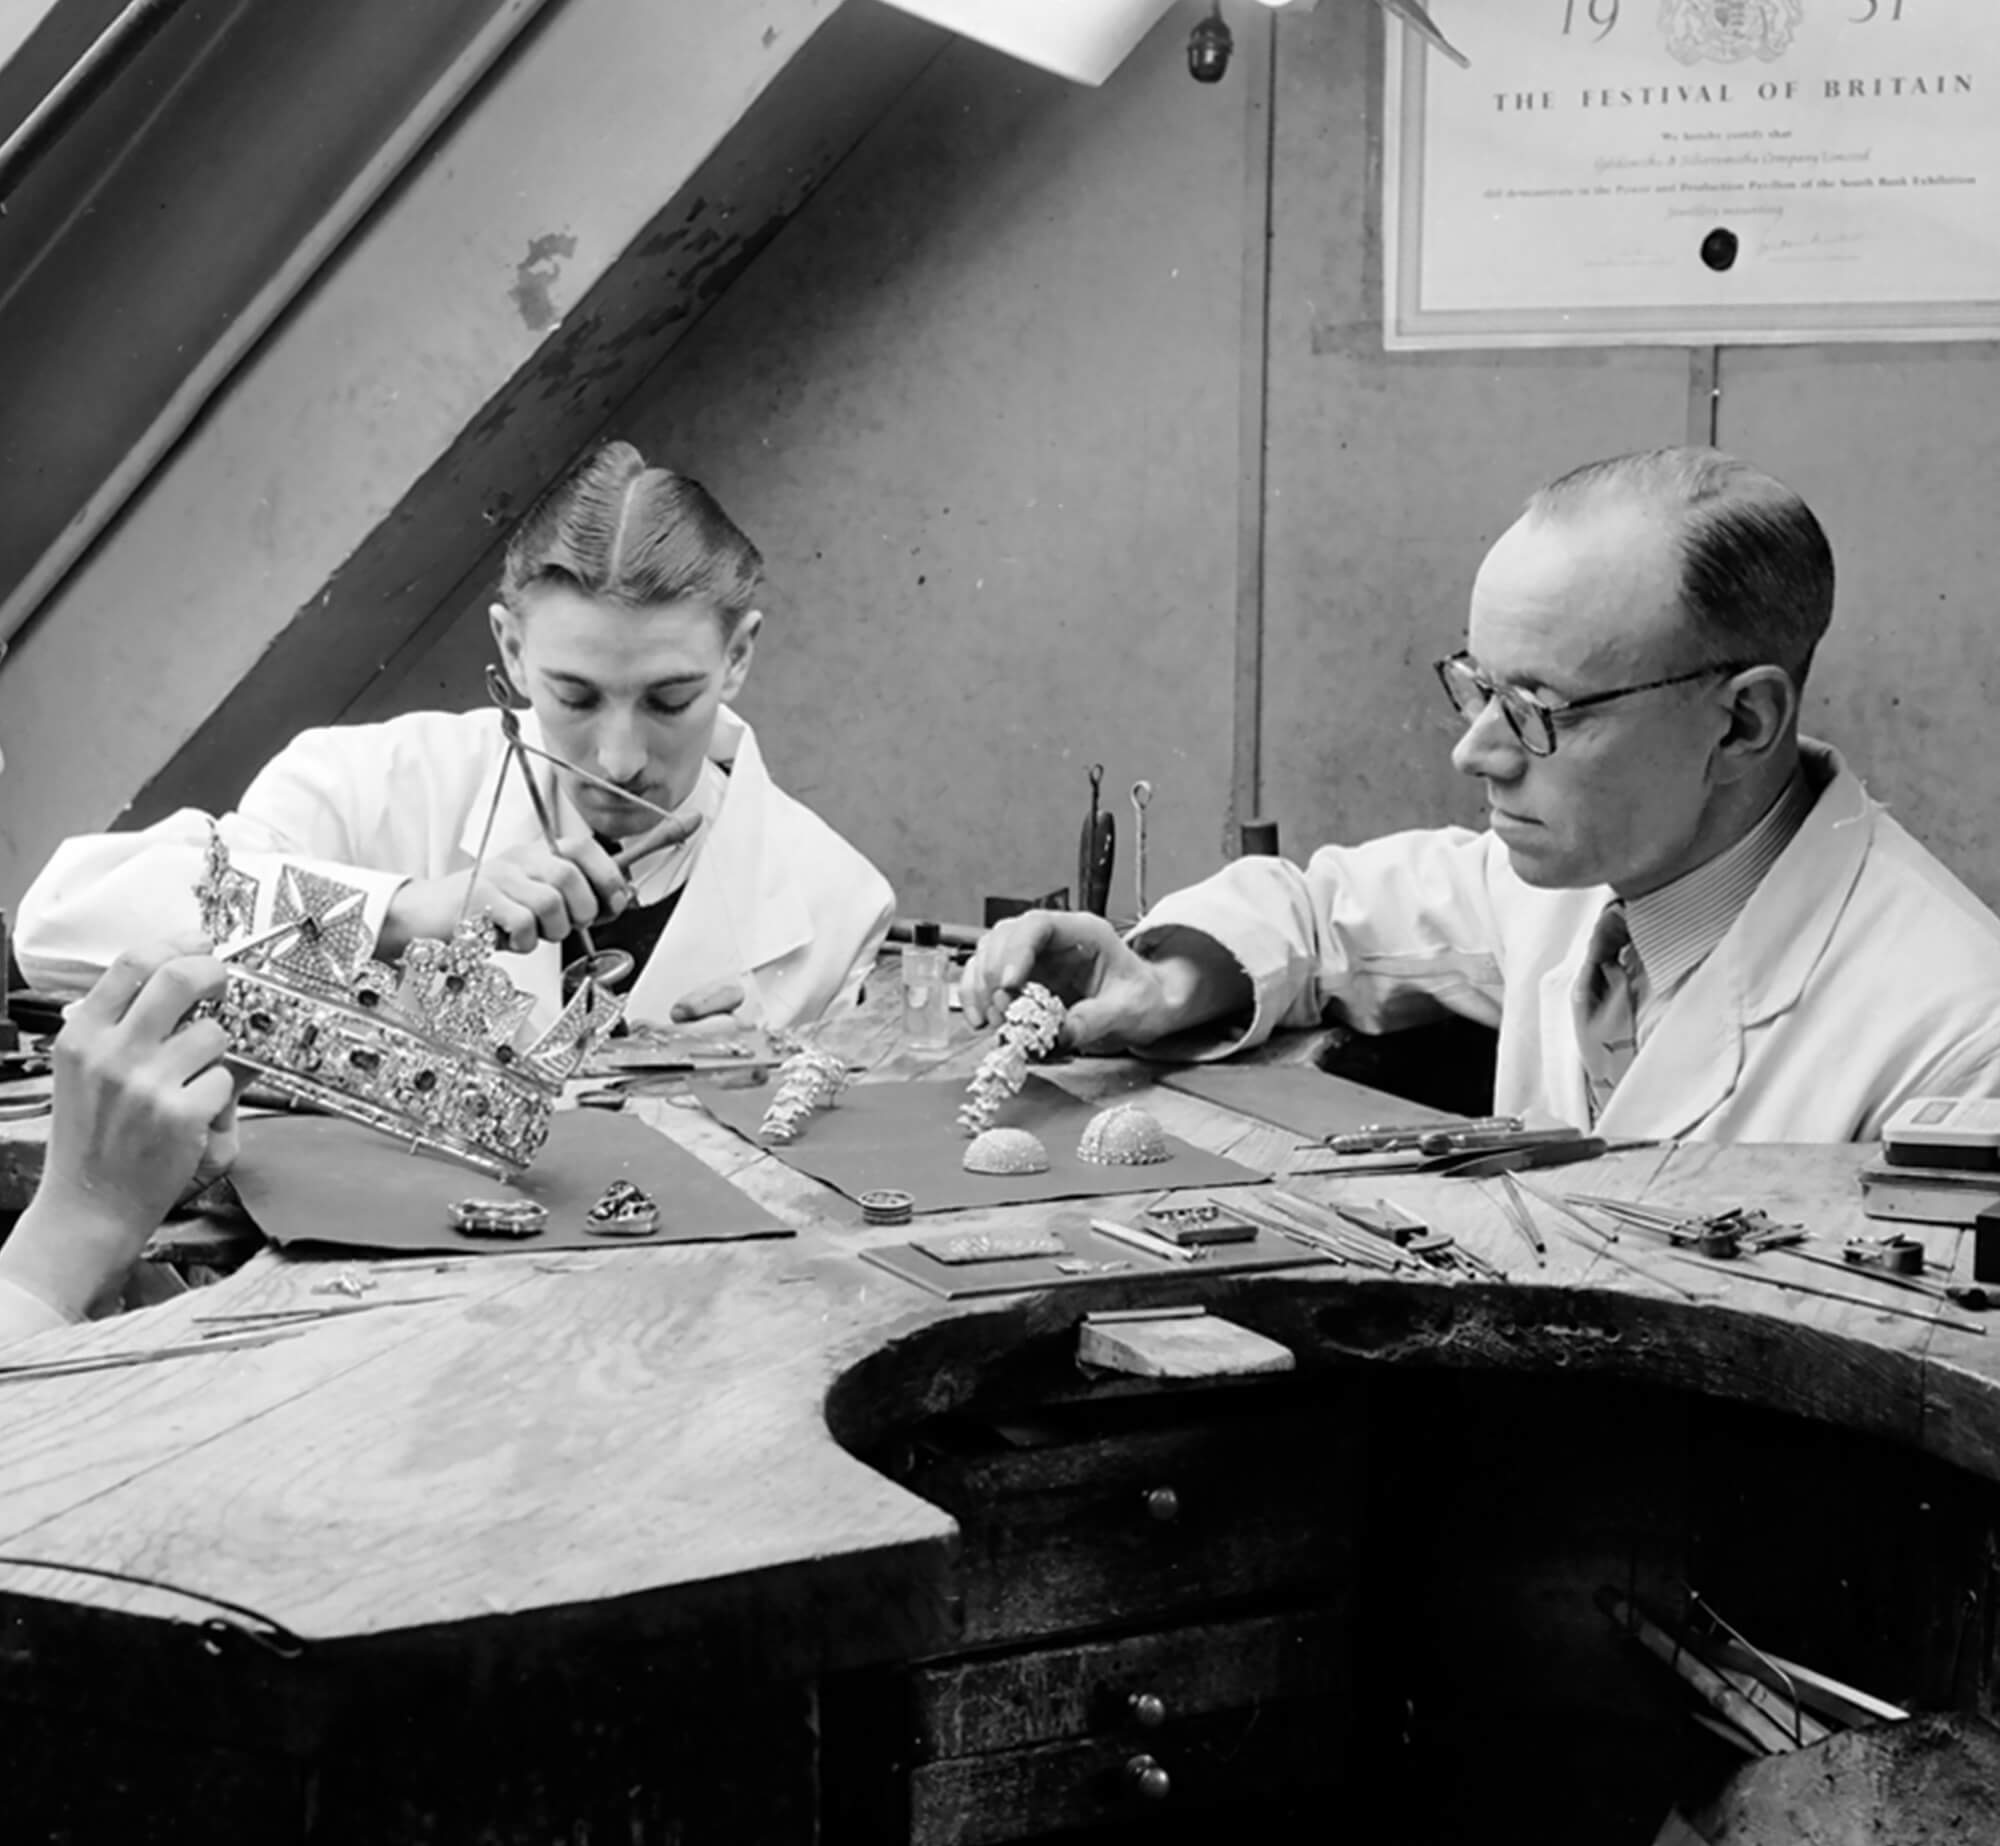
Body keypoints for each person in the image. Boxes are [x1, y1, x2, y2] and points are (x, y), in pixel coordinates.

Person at [962, 448, 2000, 1143]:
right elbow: (1323, 913)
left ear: (1740, 722)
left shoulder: (1956, 1035)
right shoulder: (1586, 871)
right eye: (1479, 685)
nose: (1475, 750)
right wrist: (1159, 982)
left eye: (1539, 707)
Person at [17, 444, 895, 1034]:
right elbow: (62, 925)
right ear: (512, 650)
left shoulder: (836, 903)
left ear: (738, 656)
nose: (619, 756)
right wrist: (398, 915)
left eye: (669, 700)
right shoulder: (373, 786)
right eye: (574, 695)